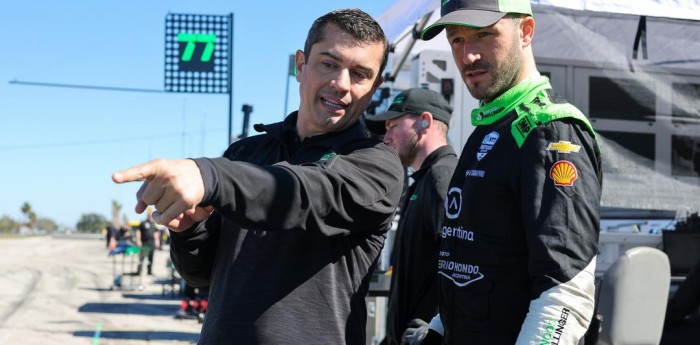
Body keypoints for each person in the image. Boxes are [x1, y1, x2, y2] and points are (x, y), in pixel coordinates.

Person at [112, 8, 403, 345]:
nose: (341, 83)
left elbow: (303, 194)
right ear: (300, 65)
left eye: (359, 74)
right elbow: (203, 276)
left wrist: (209, 174)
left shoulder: (376, 165)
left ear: (375, 86)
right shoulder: (246, 154)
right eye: (329, 64)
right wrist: (190, 231)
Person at [402, 0, 603, 344]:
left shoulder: (550, 129)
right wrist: (437, 331)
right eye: (457, 40)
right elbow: (475, 269)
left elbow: (565, 294)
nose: (468, 56)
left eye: (483, 35)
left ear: (525, 32)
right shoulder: (491, 126)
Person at [364, 88, 457, 345]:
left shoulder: (443, 178)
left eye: (393, 125)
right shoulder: (424, 180)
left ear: (425, 121)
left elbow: (462, 269)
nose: (386, 137)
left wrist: (434, 330)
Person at [135, 209, 160, 275]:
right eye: (148, 214)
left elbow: (156, 232)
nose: (149, 215)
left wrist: (157, 241)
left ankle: (149, 271)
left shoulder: (154, 224)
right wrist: (138, 240)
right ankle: (139, 271)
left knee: (151, 258)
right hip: (144, 243)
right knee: (141, 257)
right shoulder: (143, 223)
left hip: (151, 243)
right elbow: (138, 231)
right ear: (147, 214)